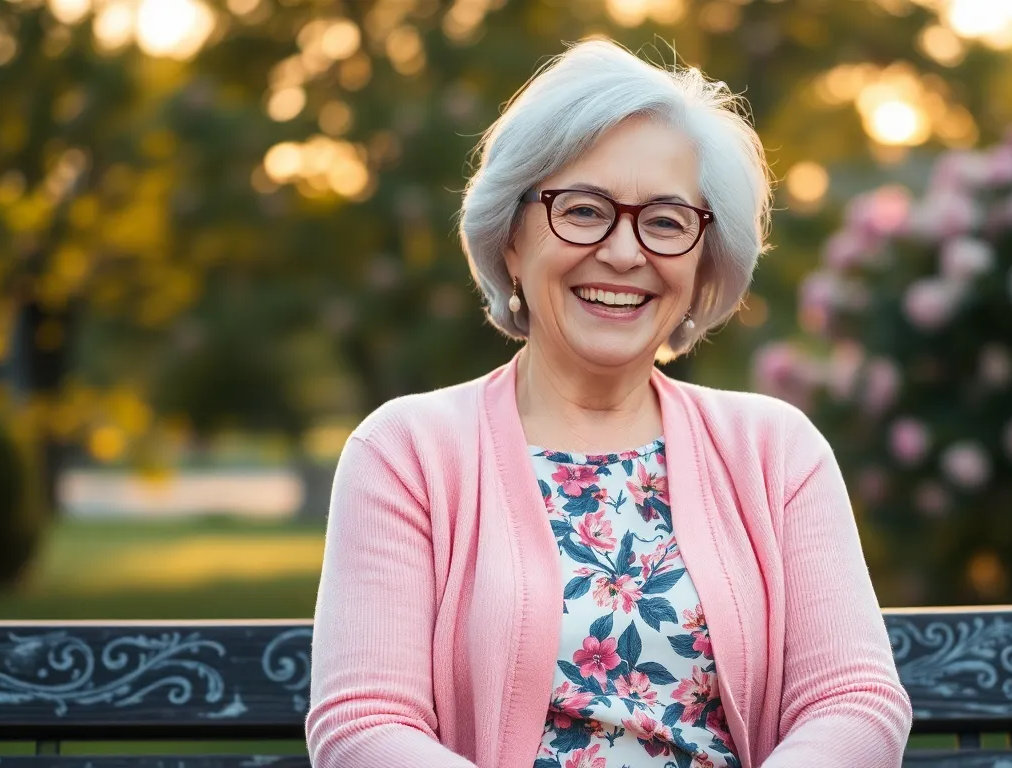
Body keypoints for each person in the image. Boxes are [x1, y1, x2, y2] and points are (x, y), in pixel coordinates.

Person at [304, 38, 913, 768]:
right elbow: (363, 723)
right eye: (585, 210)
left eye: (664, 220)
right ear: (510, 242)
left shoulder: (777, 451)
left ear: (702, 260)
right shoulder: (405, 452)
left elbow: (855, 700)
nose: (626, 254)